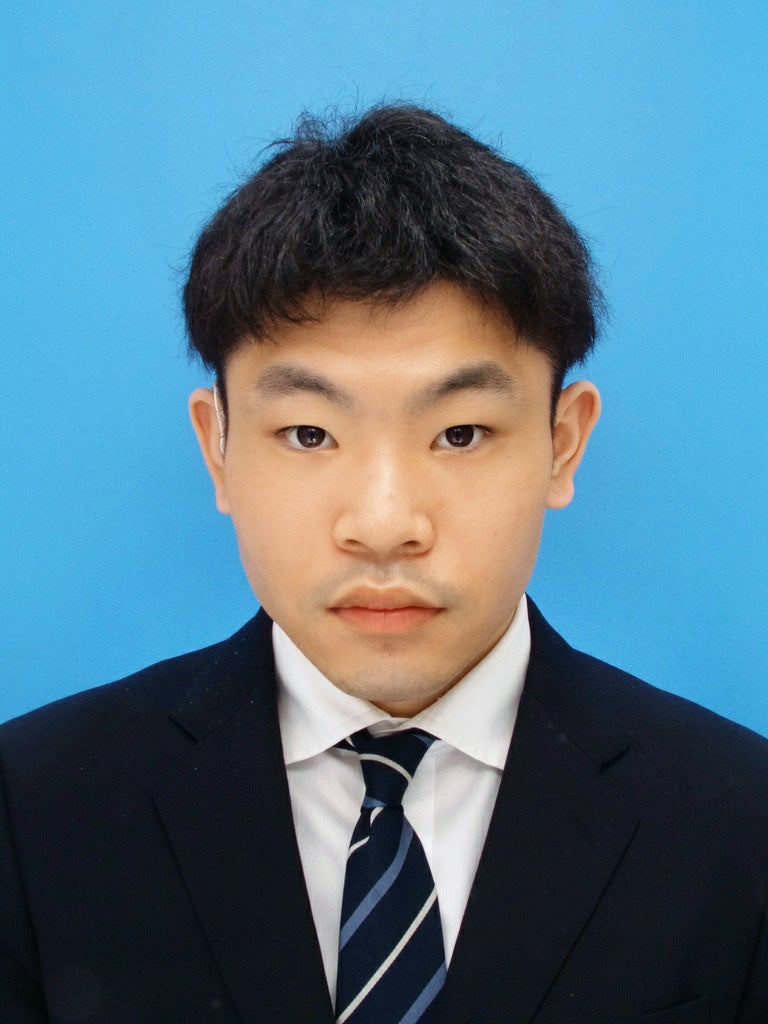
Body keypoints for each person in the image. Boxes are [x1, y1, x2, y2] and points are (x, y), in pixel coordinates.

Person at [1, 105, 766, 1024]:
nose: (384, 525)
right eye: (309, 433)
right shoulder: (33, 813)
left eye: (460, 433)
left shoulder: (740, 826)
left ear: (563, 445)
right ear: (218, 449)